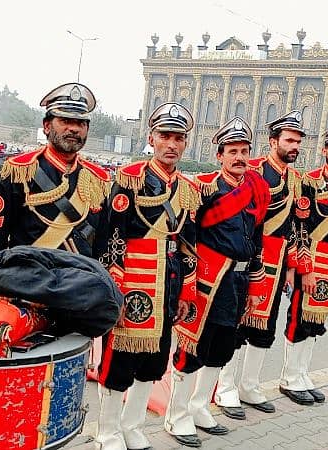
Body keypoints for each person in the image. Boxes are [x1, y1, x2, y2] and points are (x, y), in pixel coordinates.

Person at [94, 102, 199, 450]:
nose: (171, 144)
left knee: (153, 361)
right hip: (134, 281)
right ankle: (107, 431)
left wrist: (186, 290)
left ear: (186, 142)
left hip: (167, 282)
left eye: (179, 138)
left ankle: (132, 426)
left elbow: (188, 244)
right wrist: (114, 287)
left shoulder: (187, 189)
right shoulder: (129, 178)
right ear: (151, 137)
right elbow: (111, 236)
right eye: (165, 136)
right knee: (118, 359)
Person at [164, 117, 269, 447]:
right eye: (233, 151)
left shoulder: (254, 192)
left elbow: (256, 239)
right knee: (194, 347)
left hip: (238, 280)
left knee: (222, 347)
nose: (240, 158)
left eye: (245, 151)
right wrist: (188, 284)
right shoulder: (204, 189)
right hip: (209, 280)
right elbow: (187, 239)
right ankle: (176, 414)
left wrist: (254, 285)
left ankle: (198, 406)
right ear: (220, 155)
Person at [214, 110, 303, 419]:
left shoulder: (295, 178)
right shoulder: (252, 174)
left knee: (265, 328)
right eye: (289, 140)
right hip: (253, 256)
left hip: (279, 262)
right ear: (273, 141)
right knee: (238, 325)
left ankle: (249, 385)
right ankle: (225, 388)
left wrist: (292, 265)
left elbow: (292, 225)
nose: (294, 146)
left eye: (297, 141)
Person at [279, 124, 328, 406]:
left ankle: (303, 373)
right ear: (324, 150)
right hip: (311, 257)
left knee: (319, 322)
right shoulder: (308, 182)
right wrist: (304, 268)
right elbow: (298, 227)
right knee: (300, 319)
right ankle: (289, 377)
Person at [0, 83, 110, 260]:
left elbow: (102, 241)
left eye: (81, 123)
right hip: (29, 278)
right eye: (65, 121)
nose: (74, 128)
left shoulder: (97, 179)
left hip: (81, 280)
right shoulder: (21, 171)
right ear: (47, 126)